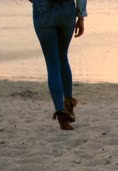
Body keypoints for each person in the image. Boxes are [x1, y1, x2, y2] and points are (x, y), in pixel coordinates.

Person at [30, 0, 87, 130]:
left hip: (42, 9)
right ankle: (69, 104)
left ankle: (62, 115)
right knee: (62, 57)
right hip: (66, 9)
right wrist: (81, 16)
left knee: (52, 63)